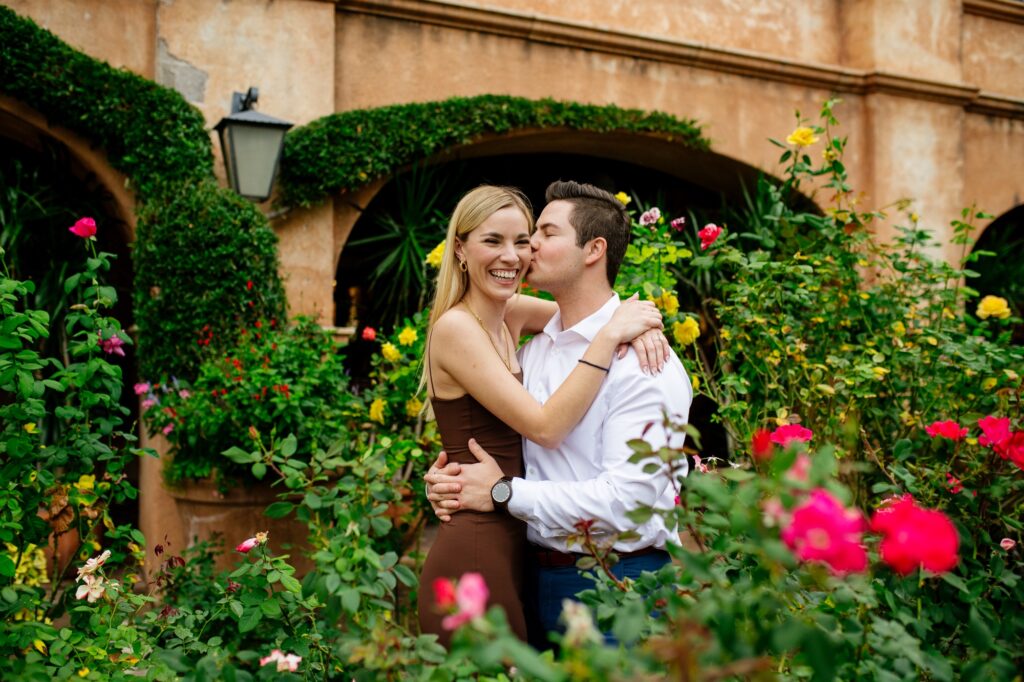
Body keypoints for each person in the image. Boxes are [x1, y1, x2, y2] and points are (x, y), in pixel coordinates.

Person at [426, 180, 693, 644]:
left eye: (538, 234)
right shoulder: (536, 345)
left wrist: (640, 319)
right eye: (495, 240)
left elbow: (629, 501)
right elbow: (535, 430)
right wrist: (452, 478)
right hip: (524, 563)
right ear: (461, 250)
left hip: (614, 579)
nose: (524, 250)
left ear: (593, 249)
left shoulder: (640, 363)